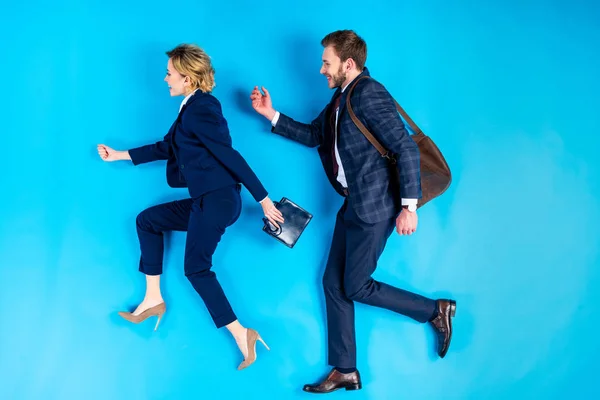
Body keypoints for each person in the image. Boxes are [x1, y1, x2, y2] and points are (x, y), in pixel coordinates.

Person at [250, 30, 456, 393]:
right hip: (353, 205)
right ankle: (344, 369)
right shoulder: (340, 99)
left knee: (356, 285)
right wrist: (271, 114)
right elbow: (316, 135)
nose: (320, 70)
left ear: (348, 63)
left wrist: (409, 207)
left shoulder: (369, 93)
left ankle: (434, 311)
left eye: (326, 63)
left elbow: (405, 150)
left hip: (376, 208)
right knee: (333, 283)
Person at [98, 43, 283, 371]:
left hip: (218, 199)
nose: (165, 78)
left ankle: (243, 335)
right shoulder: (190, 108)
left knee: (196, 269)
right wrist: (121, 155)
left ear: (187, 78)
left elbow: (229, 154)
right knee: (148, 221)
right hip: (207, 200)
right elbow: (167, 146)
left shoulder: (202, 108)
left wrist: (264, 199)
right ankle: (153, 299)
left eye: (170, 73)